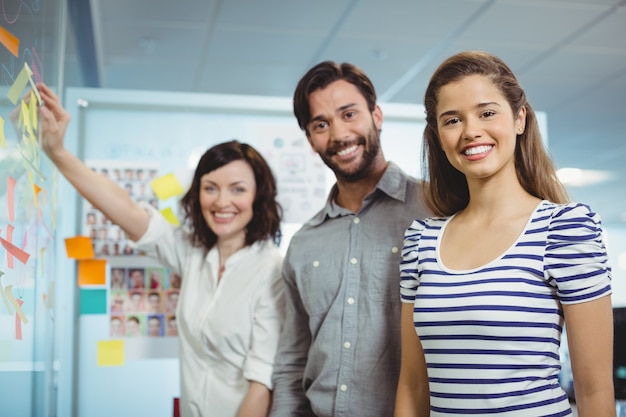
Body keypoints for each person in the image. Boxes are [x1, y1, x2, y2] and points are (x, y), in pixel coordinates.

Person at [38, 83, 285, 417]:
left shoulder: (273, 271)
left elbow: (263, 384)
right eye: (210, 188)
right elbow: (127, 211)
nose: (222, 202)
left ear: (259, 197)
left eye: (237, 189)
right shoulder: (195, 253)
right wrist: (58, 153)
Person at [395, 51, 614, 417]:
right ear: (438, 135)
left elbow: (594, 390)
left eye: (487, 112)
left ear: (519, 118)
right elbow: (413, 385)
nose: (470, 131)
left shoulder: (565, 230)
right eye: (452, 120)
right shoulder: (421, 241)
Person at [270, 61, 429, 417]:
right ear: (310, 140)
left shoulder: (435, 211)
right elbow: (293, 360)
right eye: (321, 124)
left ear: (377, 115)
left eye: (349, 114)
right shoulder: (304, 243)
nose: (339, 134)